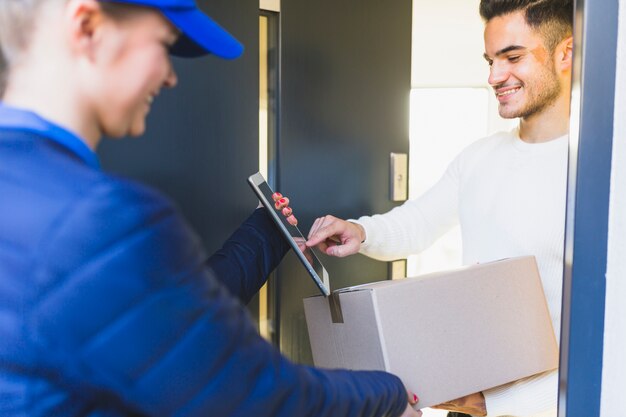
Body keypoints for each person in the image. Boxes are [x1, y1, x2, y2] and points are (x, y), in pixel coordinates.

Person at [0, 1, 422, 416]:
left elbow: (165, 328)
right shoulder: (97, 217)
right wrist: (387, 394)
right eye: (163, 45)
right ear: (88, 27)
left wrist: (267, 231)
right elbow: (249, 393)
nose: (169, 77)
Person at [306, 0, 573, 416]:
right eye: (489, 61)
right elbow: (419, 222)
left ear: (565, 54)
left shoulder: (596, 177)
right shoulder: (479, 158)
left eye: (512, 57)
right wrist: (361, 231)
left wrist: (503, 404)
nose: (494, 76)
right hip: (468, 399)